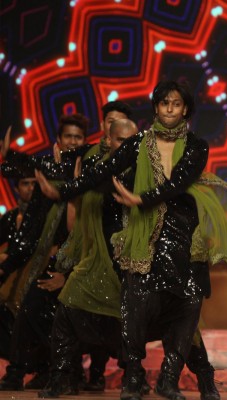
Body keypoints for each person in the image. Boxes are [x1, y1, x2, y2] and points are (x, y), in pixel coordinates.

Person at [36, 80, 209, 400]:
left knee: (187, 303)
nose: (170, 109)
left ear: (186, 109)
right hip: (139, 237)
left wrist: (142, 199)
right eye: (164, 103)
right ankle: (130, 377)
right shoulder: (140, 142)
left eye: (176, 104)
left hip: (180, 234)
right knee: (132, 304)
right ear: (156, 107)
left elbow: (178, 183)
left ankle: (181, 378)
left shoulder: (197, 146)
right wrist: (63, 191)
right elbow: (101, 172)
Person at [37, 118, 138, 398]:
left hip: (132, 260)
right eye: (120, 140)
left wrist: (70, 187)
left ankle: (134, 379)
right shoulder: (100, 168)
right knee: (66, 308)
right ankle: (60, 378)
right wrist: (67, 188)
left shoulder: (141, 170)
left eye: (132, 141)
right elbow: (83, 201)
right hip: (97, 258)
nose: (126, 146)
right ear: (108, 140)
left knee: (134, 322)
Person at [0, 113, 88, 392]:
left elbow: (88, 231)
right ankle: (21, 372)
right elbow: (20, 167)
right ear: (58, 140)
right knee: (28, 309)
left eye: (78, 137)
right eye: (68, 136)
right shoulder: (47, 168)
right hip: (47, 259)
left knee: (56, 315)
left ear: (85, 141)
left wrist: (68, 274)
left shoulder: (91, 172)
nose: (73, 141)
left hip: (81, 262)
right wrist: (8, 154)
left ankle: (68, 372)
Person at [0, 169, 37, 359]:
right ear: (16, 189)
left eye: (34, 183)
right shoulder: (9, 218)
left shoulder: (46, 216)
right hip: (9, 273)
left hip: (36, 273)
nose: (31, 188)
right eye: (25, 183)